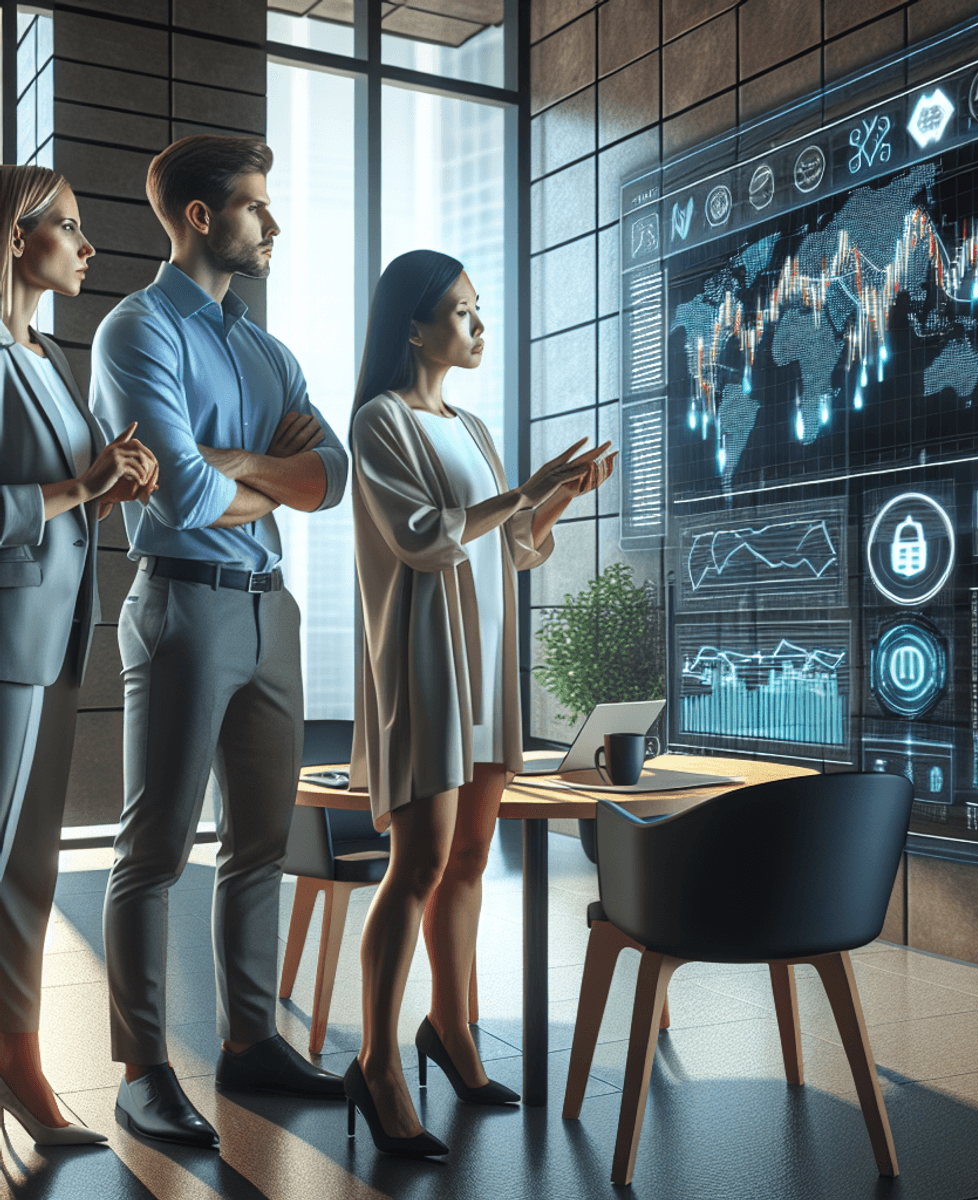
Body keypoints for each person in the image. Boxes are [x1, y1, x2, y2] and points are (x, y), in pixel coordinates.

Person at [91, 135, 349, 1150]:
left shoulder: (265, 347)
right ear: (200, 217)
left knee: (257, 844)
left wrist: (225, 461)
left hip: (268, 606)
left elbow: (328, 475)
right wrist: (247, 475)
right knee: (154, 851)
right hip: (183, 607)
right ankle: (142, 1069)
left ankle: (251, 1044)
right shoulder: (135, 331)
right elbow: (182, 495)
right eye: (253, 206)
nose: (270, 224)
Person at [346, 250, 615, 1157]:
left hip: (489, 668)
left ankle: (451, 1031)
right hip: (428, 664)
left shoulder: (473, 426)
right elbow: (425, 540)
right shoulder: (380, 424)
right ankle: (377, 1062)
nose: (476, 324)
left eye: (477, 309)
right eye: (460, 311)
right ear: (413, 327)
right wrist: (521, 495)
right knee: (416, 864)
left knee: (469, 860)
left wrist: (555, 502)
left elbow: (515, 549)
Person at [0, 165, 158, 1146]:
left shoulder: (47, 356)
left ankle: (21, 1073)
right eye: (69, 226)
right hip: (3, 649)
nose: (88, 246)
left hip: (53, 643)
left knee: (29, 875)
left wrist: (113, 485)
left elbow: (70, 486)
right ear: (18, 238)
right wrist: (74, 490)